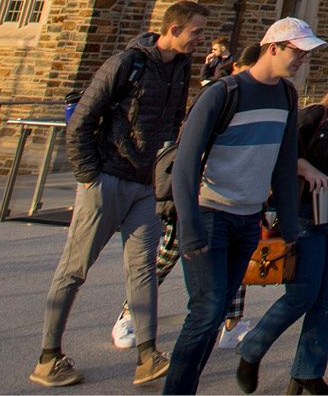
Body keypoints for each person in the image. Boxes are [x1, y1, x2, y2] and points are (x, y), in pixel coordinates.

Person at [32, 2, 208, 388]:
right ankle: (48, 357)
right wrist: (90, 176)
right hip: (108, 178)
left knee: (142, 269)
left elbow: (173, 123)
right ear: (174, 30)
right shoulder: (128, 63)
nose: (202, 39)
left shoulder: (180, 67)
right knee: (75, 269)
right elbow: (80, 122)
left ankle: (147, 354)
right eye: (196, 32)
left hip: (144, 184)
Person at [163, 18, 317, 395]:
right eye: (297, 52)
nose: (301, 60)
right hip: (210, 214)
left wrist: (288, 222)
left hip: (248, 219)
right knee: (206, 311)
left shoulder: (286, 95)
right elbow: (185, 162)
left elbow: (284, 162)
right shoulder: (222, 92)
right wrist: (190, 226)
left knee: (216, 314)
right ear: (274, 48)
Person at [236, 61, 328, 395]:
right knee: (302, 295)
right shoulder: (316, 117)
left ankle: (308, 372)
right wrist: (306, 169)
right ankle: (251, 349)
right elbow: (279, 152)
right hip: (308, 212)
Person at [111, 44, 264, 354]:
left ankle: (232, 326)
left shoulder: (258, 101)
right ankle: (130, 315)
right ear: (239, 69)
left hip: (236, 197)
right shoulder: (220, 96)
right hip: (198, 196)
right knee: (166, 257)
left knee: (235, 265)